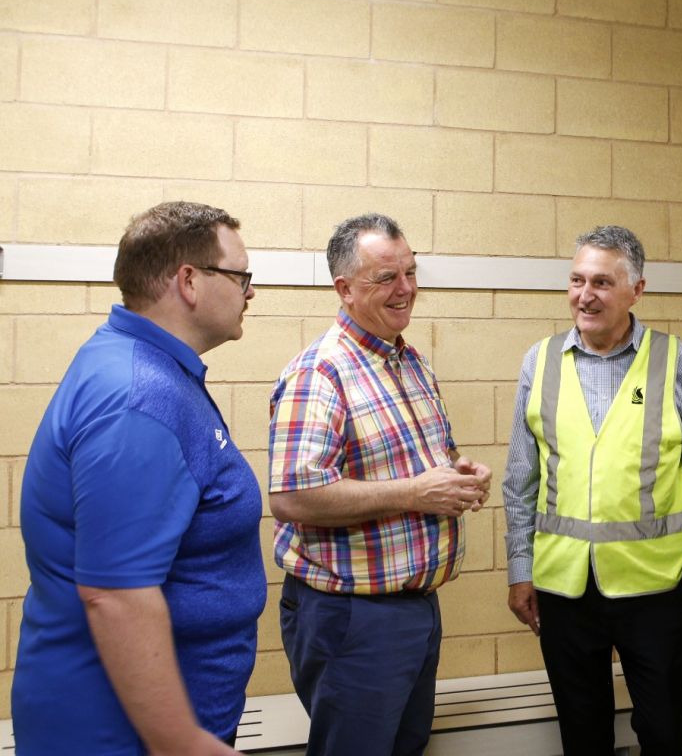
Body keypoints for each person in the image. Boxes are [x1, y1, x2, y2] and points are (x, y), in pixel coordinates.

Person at [13, 201, 266, 755]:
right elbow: (116, 594)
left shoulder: (145, 370)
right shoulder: (140, 400)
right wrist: (182, 742)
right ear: (190, 281)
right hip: (118, 735)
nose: (251, 292)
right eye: (242, 276)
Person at [268, 212, 491, 756]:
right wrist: (414, 493)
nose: (406, 290)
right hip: (352, 620)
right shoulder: (320, 372)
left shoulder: (409, 361)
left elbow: (424, 456)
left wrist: (458, 471)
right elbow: (293, 496)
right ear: (344, 289)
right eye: (387, 278)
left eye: (411, 273)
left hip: (414, 610)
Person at [503, 225, 682, 756]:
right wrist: (520, 569)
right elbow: (520, 479)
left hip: (656, 588)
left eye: (602, 282)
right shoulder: (539, 362)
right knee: (583, 738)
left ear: (636, 290)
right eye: (577, 280)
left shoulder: (676, 361)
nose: (585, 295)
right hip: (564, 589)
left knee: (665, 733)